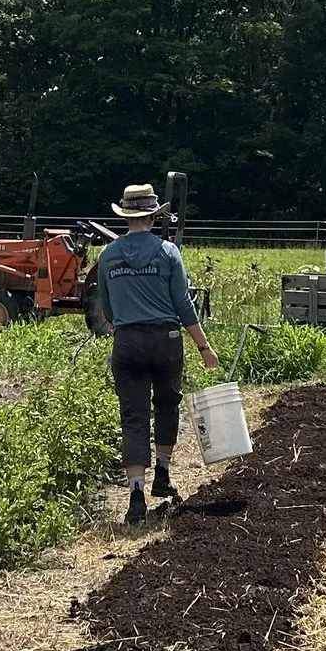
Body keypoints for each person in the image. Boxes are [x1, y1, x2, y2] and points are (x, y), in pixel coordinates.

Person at [91, 181, 220, 524]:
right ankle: (162, 475)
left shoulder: (108, 256)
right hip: (166, 340)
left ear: (126, 216)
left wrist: (124, 325)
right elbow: (183, 305)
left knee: (133, 417)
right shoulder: (167, 252)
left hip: (128, 342)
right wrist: (204, 346)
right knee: (166, 404)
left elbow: (106, 308)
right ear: (153, 216)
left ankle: (136, 497)